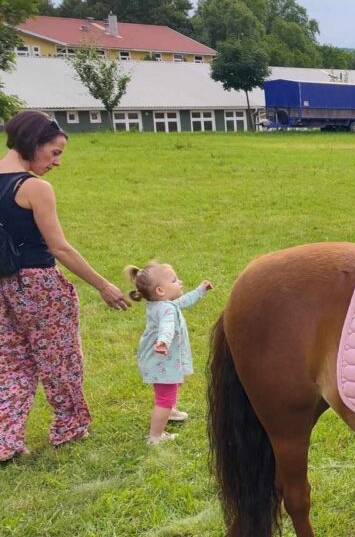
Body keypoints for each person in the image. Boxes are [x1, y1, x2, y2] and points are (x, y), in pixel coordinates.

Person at [0, 111, 131, 463]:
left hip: (2, 287)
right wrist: (103, 285)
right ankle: (69, 428)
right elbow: (59, 247)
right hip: (38, 284)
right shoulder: (33, 188)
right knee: (60, 359)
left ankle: (5, 441)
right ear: (33, 142)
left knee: (11, 363)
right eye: (54, 152)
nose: (57, 162)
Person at [127, 262, 213, 444]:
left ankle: (170, 411)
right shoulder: (166, 309)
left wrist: (200, 291)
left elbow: (183, 302)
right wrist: (163, 341)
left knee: (170, 387)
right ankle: (155, 436)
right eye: (174, 280)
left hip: (161, 361)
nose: (179, 281)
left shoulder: (162, 304)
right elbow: (167, 326)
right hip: (162, 359)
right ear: (160, 290)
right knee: (164, 397)